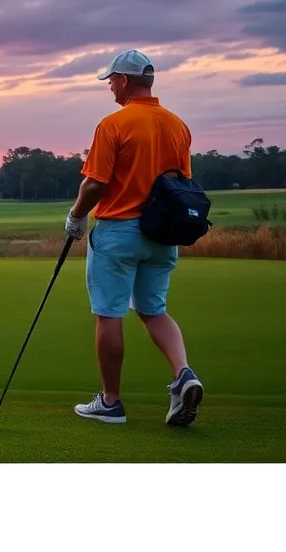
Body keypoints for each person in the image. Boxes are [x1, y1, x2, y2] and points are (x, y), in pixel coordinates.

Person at [64, 49, 205, 427]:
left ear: (124, 81)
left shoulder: (113, 124)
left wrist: (76, 216)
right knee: (153, 310)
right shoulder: (178, 125)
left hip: (119, 232)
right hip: (163, 233)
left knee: (109, 313)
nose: (110, 86)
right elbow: (181, 182)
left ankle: (110, 403)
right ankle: (184, 374)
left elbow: (95, 183)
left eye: (111, 80)